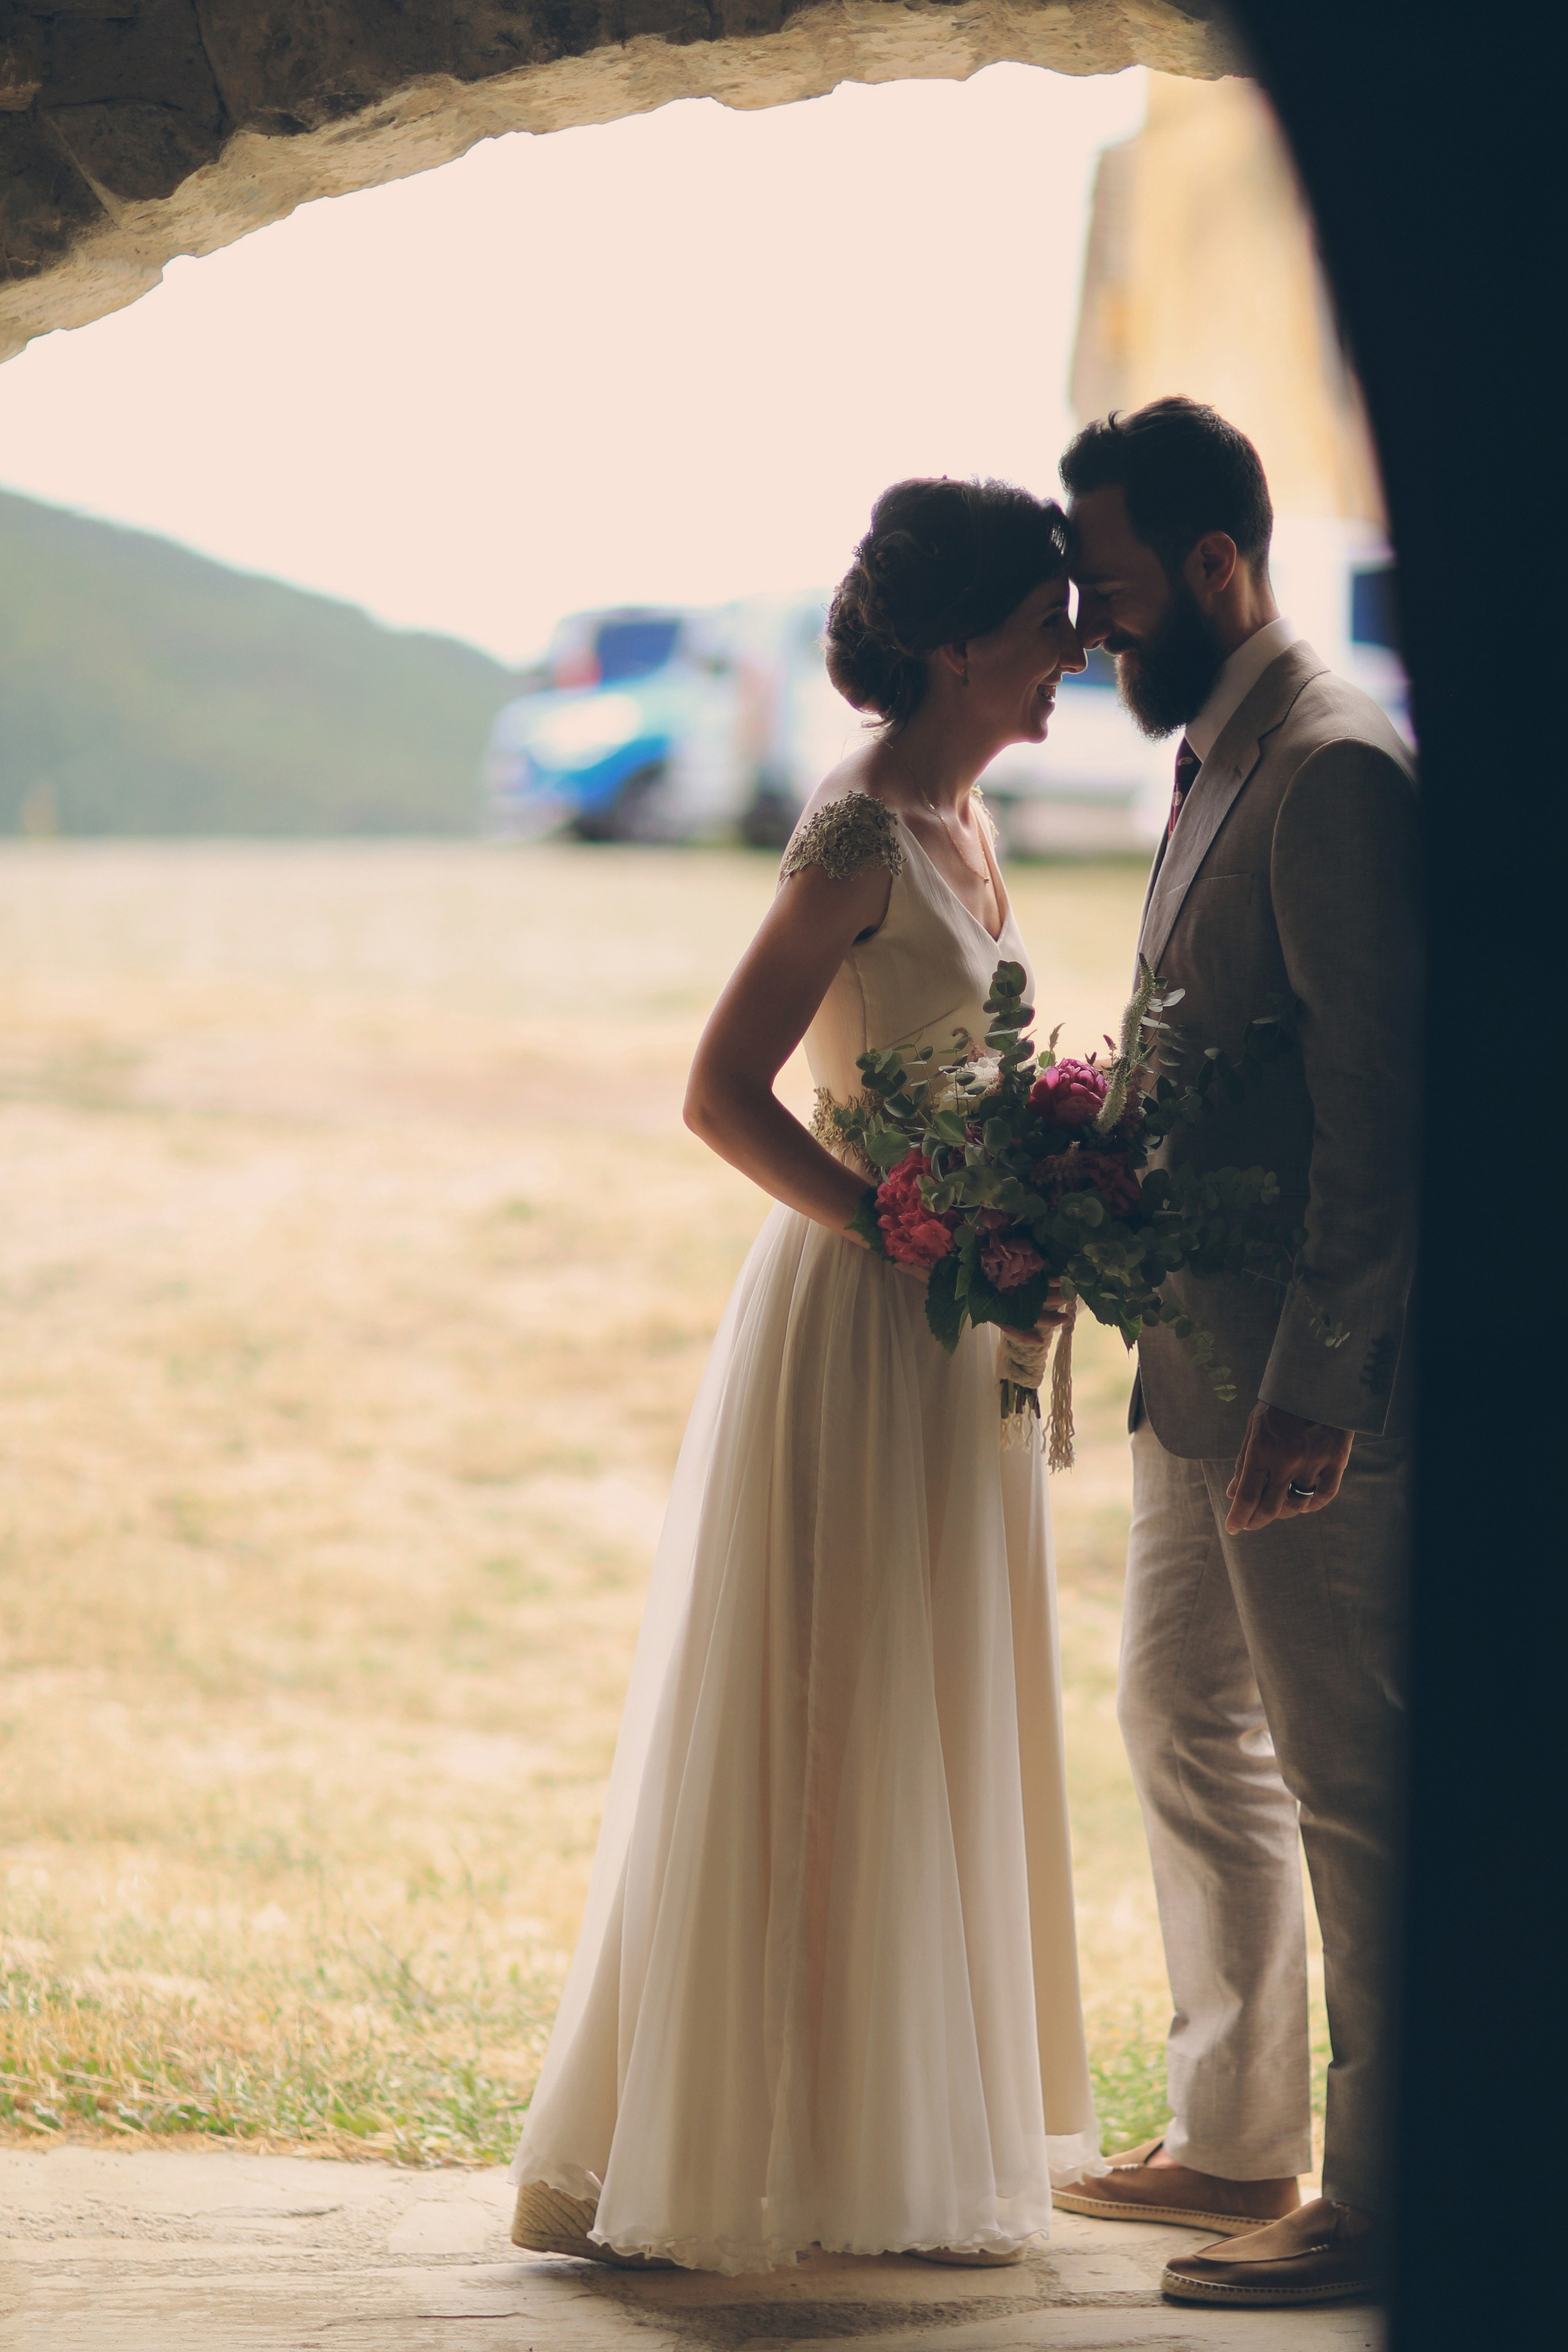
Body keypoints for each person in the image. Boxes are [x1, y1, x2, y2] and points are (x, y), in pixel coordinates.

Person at [507, 477, 1104, 2275]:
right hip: (862, 1322)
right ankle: (759, 2138)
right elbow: (720, 1093)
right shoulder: (854, 838)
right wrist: (898, 1227)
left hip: (957, 1336)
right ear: (951, 642)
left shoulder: (969, 821)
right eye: (1041, 620)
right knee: (834, 1698)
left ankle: (890, 2126)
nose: (1072, 645)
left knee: (929, 1691)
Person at [1052, 398, 1420, 2310]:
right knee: (1176, 1718)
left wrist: (1324, 1390)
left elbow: (1388, 1108)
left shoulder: (1337, 764)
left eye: (1113, 591)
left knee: (1354, 1776)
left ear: (1217, 567)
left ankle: (1384, 2201)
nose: (1096, 630)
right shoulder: (1215, 751)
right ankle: (1235, 2130)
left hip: (1309, 1397)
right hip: (1195, 1368)